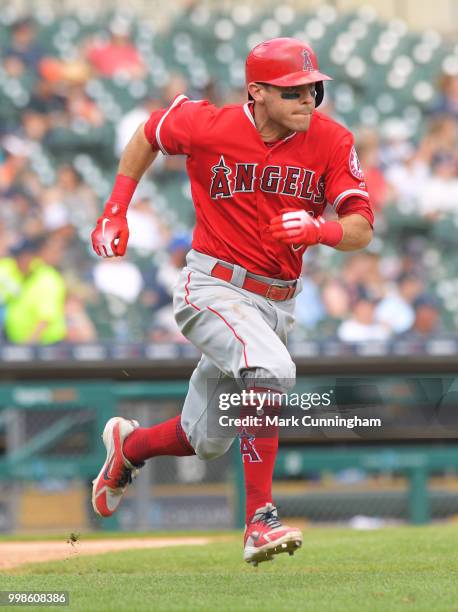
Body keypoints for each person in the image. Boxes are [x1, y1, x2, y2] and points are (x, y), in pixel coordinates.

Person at [90, 38, 374, 565]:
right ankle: (259, 519)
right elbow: (148, 133)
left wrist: (321, 229)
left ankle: (129, 448)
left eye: (313, 88)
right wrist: (115, 208)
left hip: (275, 303)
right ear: (257, 92)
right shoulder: (209, 125)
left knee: (206, 438)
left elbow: (361, 227)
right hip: (212, 286)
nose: (307, 99)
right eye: (292, 90)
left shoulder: (331, 141)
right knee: (268, 368)